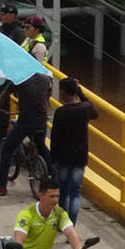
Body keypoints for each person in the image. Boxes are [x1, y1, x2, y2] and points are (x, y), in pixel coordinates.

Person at [0, 68, 51, 197]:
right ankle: (54, 177)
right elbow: (48, 96)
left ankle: (1, 186)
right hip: (42, 121)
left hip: (25, 121)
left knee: (7, 149)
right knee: (42, 147)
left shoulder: (20, 78)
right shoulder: (45, 78)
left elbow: (4, 94)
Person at [46, 76, 97, 223]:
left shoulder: (61, 112)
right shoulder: (85, 109)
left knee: (62, 192)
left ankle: (63, 222)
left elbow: (55, 138)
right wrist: (81, 93)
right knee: (75, 192)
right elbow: (95, 112)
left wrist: (53, 158)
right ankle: (71, 224)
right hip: (79, 157)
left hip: (63, 157)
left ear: (64, 93)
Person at [13, 179, 92, 249]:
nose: (55, 200)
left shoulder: (59, 213)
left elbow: (71, 233)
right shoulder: (26, 215)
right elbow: (18, 241)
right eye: (51, 196)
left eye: (57, 196)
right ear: (41, 196)